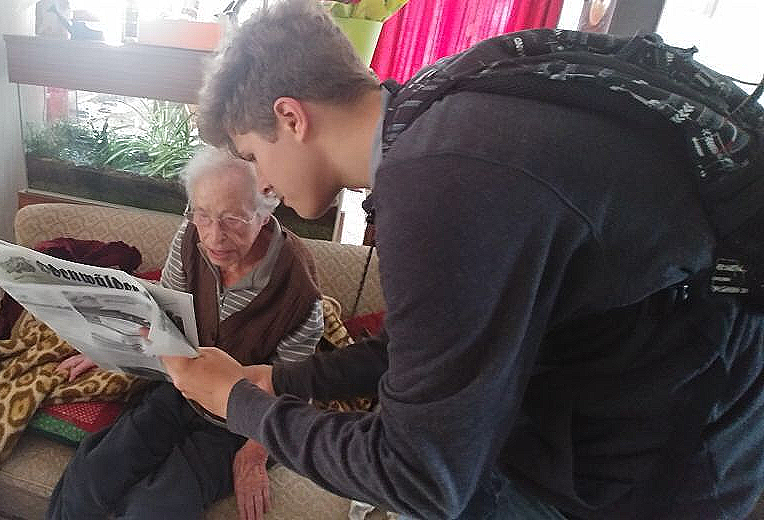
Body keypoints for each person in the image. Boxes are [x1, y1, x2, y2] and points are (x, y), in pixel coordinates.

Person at [160, 1, 764, 519]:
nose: (262, 185)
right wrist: (282, 380)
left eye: (251, 156)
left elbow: (421, 477)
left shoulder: (441, 183)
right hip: (631, 408)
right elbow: (427, 351)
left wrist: (238, 402)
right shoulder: (437, 108)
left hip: (659, 459)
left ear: (291, 118)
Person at [46, 146, 325, 520]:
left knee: (156, 508)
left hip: (239, 417)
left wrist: (255, 451)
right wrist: (109, 345)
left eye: (232, 219)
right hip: (178, 388)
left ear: (266, 208)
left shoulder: (299, 292)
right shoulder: (188, 239)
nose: (213, 236)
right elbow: (161, 315)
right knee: (89, 481)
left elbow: (292, 387)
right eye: (203, 214)